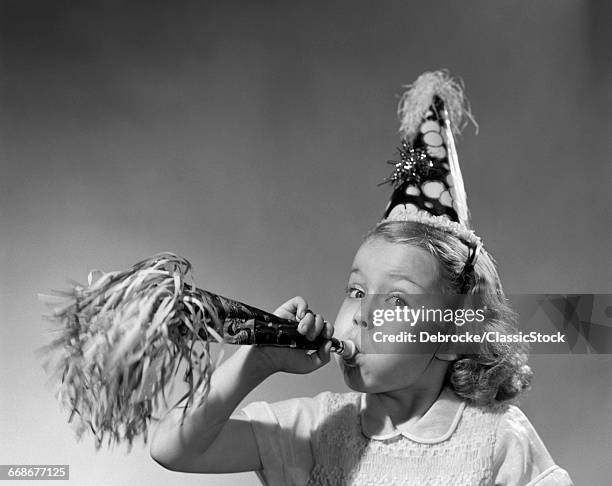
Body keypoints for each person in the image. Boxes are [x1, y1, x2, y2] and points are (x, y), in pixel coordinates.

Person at [150, 71, 574, 484]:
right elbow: (174, 448)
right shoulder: (315, 429)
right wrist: (257, 360)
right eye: (356, 290)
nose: (364, 314)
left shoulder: (497, 438)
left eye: (396, 301)